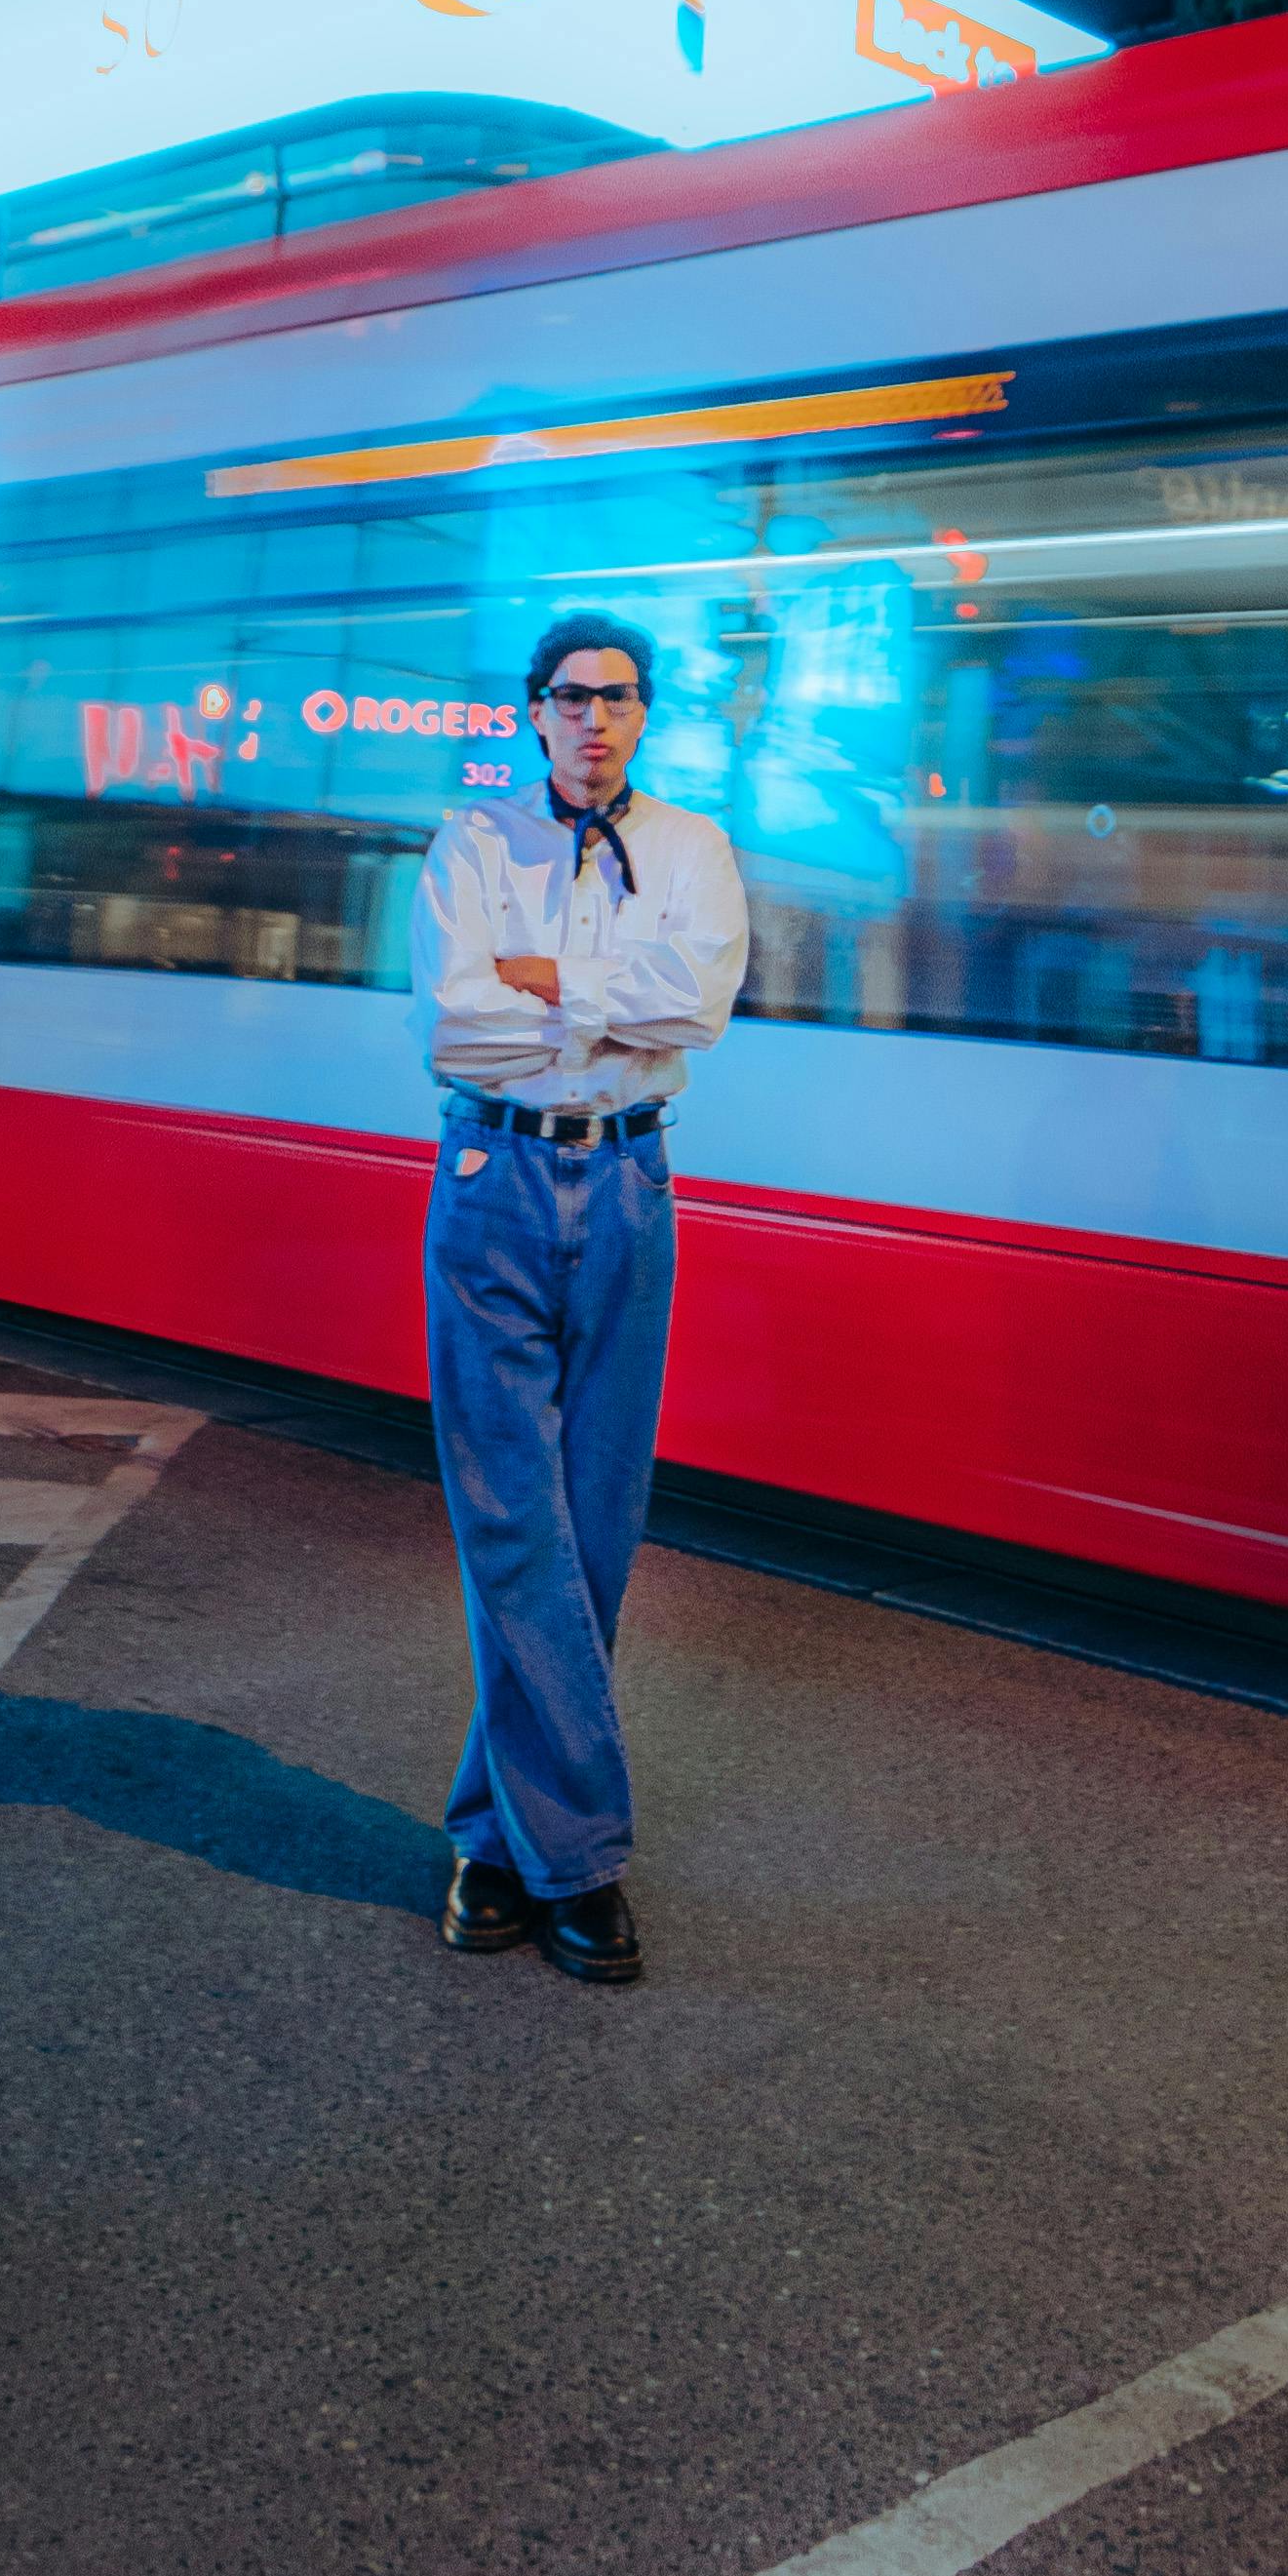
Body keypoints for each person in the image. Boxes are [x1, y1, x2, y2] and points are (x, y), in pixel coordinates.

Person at [408, 607, 748, 1985]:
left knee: (593, 1515)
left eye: (615, 696)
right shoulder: (469, 842)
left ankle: (494, 1838)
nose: (592, 717)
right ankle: (579, 1858)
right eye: (568, 696)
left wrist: (551, 984)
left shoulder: (694, 848)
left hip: (627, 1185)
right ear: (532, 711)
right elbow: (456, 1017)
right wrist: (613, 998)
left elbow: (701, 1003)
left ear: (642, 712)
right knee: (509, 1513)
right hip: (490, 1173)